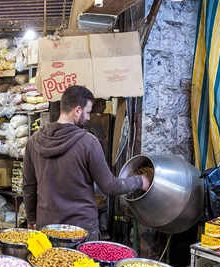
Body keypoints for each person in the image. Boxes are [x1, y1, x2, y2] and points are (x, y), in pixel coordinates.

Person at [23, 86, 150, 241]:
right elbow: (109, 186)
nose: (89, 118)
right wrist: (139, 181)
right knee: (83, 266)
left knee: (52, 264)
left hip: (48, 228)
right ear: (77, 110)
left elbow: (28, 186)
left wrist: (31, 219)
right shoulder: (88, 142)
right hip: (80, 230)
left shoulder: (33, 141)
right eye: (88, 112)